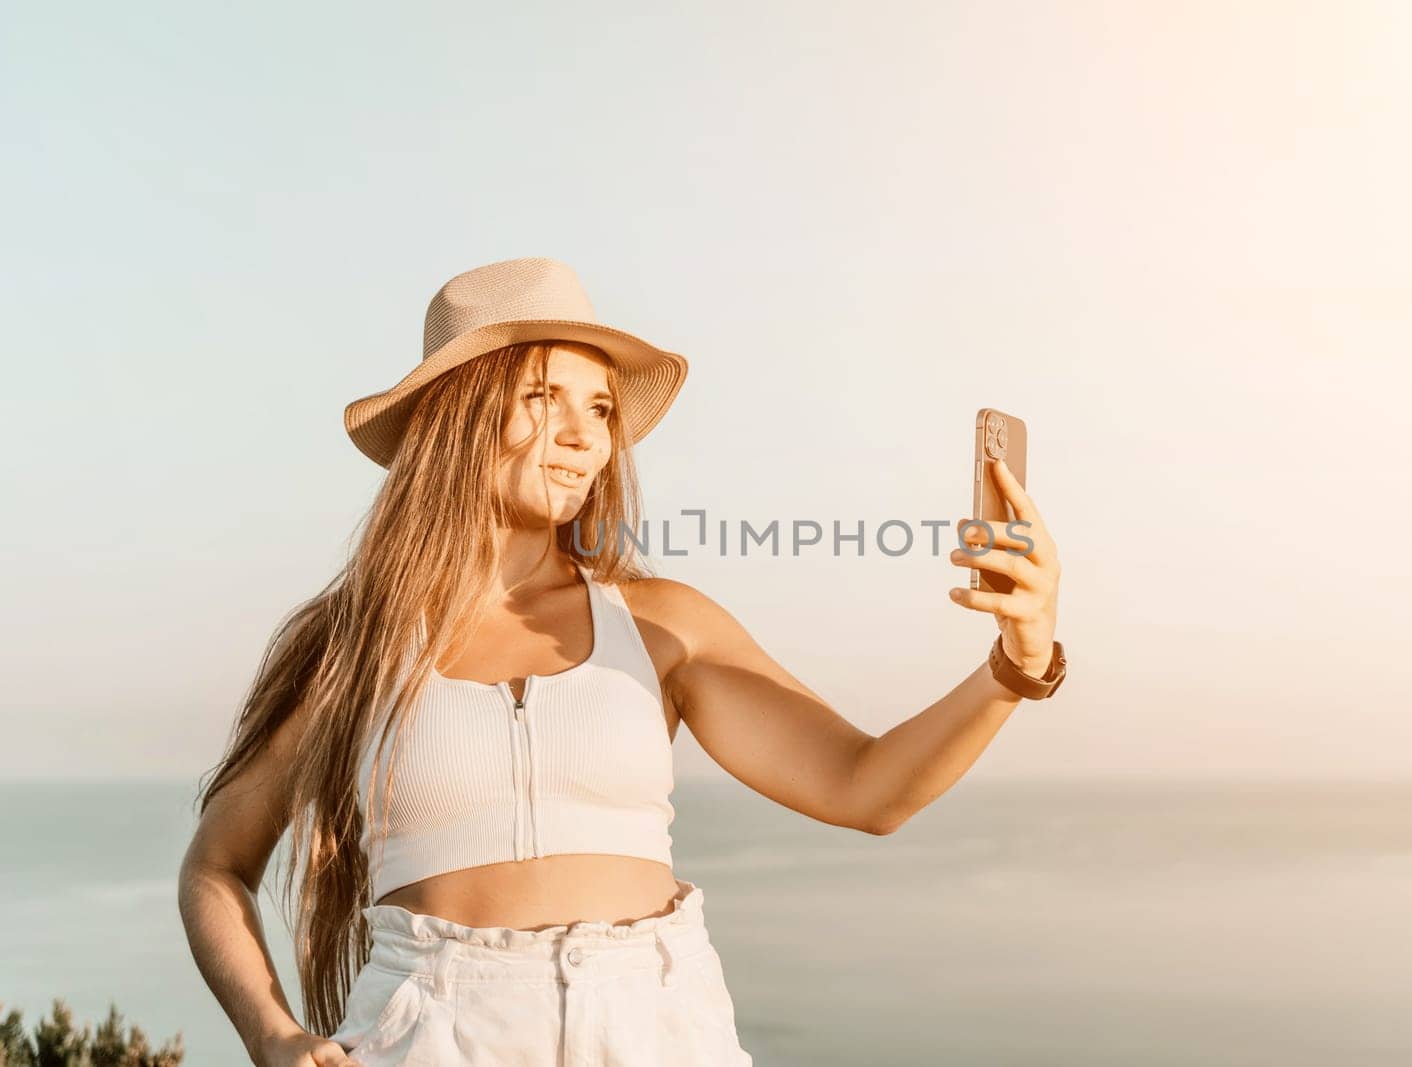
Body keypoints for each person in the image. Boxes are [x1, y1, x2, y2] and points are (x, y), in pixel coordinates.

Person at [175, 256, 1067, 1066]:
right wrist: (274, 1033)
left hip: (655, 1025)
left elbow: (868, 787)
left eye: (598, 407)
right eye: (541, 397)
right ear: (458, 413)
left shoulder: (662, 624)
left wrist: (1014, 665)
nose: (583, 435)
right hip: (431, 1035)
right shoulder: (353, 643)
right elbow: (217, 866)